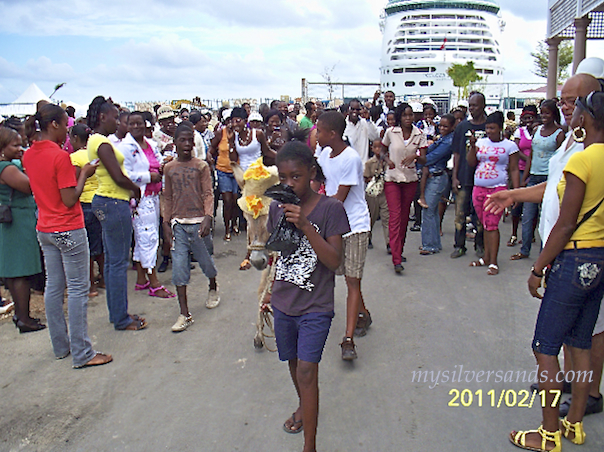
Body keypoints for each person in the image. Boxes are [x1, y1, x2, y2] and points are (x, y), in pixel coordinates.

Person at [486, 73, 604, 421]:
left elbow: (567, 220)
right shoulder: (576, 145)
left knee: (545, 347)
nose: (566, 107)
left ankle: (549, 432)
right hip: (593, 257)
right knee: (578, 341)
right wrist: (513, 194)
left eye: (572, 102)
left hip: (568, 254)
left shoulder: (584, 156)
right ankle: (574, 423)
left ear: (588, 108)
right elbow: (554, 189)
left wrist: (538, 268)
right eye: (563, 100)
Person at [263, 141, 349, 452]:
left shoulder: (331, 209)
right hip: (284, 303)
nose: (288, 184)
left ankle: (309, 444)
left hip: (316, 306)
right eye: (282, 178)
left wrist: (305, 225)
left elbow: (334, 261)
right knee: (293, 363)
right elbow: (281, 257)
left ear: (312, 172)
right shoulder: (277, 208)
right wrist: (268, 292)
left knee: (306, 369)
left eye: (295, 177)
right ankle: (304, 405)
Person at [22, 104, 113, 368]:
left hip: (45, 228)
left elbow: (45, 187)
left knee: (54, 287)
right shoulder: (60, 156)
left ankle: (61, 346)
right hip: (68, 227)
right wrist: (84, 173)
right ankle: (83, 353)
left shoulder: (30, 154)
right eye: (65, 125)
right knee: (76, 289)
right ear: (54, 125)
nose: (67, 131)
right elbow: (70, 198)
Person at [87, 96, 146, 331]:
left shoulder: (98, 141)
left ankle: (118, 314)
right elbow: (118, 176)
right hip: (114, 201)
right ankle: (122, 318)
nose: (118, 122)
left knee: (112, 263)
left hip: (108, 201)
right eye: (114, 117)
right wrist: (135, 189)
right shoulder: (101, 142)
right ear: (103, 117)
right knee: (118, 263)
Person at [317, 111, 371, 360]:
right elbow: (316, 181)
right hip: (335, 225)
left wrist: (314, 213)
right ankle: (363, 313)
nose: (316, 134)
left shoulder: (351, 159)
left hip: (355, 225)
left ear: (332, 134)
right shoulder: (324, 154)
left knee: (351, 280)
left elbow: (339, 198)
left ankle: (347, 339)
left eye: (320, 130)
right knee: (347, 277)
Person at [164, 124, 220, 332]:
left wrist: (208, 217)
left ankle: (213, 286)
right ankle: (184, 313)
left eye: (190, 140)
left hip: (198, 223)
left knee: (207, 263)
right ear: (175, 143)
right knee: (179, 269)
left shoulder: (201, 166)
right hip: (179, 224)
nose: (187, 144)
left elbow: (208, 193)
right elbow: (167, 196)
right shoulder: (169, 168)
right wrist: (166, 222)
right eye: (182, 140)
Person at [118, 111, 174, 298]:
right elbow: (123, 175)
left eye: (139, 123)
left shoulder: (149, 143)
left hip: (154, 195)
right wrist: (149, 176)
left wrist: (164, 164)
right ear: (126, 125)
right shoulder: (125, 147)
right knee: (148, 238)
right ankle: (154, 282)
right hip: (139, 198)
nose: (136, 127)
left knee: (145, 236)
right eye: (131, 124)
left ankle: (141, 279)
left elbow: (158, 161)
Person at [0, 127, 45, 333]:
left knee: (14, 271)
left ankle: (21, 315)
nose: (20, 149)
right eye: (15, 145)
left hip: (12, 220)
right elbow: (30, 187)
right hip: (17, 221)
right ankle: (24, 318)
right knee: (20, 272)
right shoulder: (7, 169)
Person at [466, 111, 520, 275]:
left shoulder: (510, 146)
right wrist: (473, 147)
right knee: (484, 224)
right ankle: (486, 257)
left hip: (497, 189)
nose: (489, 131)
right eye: (487, 128)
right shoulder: (481, 142)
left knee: (492, 225)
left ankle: (493, 262)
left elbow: (514, 169)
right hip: (479, 188)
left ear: (501, 128)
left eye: (492, 128)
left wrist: (515, 193)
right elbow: (471, 162)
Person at [511, 100, 565, 260]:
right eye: (542, 112)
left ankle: (544, 253)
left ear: (554, 114)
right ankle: (524, 250)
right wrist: (525, 178)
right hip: (534, 177)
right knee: (527, 216)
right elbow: (531, 156)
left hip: (550, 179)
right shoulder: (537, 130)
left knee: (546, 217)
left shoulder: (560, 133)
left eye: (547, 113)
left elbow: (561, 159)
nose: (544, 116)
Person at [381, 103, 428, 272]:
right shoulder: (391, 132)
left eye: (411, 115)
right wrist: (387, 161)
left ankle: (398, 251)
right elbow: (381, 150)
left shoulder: (419, 134)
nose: (408, 118)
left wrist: (414, 156)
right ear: (400, 117)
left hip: (410, 179)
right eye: (405, 115)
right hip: (392, 178)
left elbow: (424, 159)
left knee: (404, 218)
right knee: (394, 217)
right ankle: (396, 259)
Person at [451, 92, 487, 259]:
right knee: (460, 214)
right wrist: (455, 176)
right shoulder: (462, 127)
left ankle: (480, 245)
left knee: (480, 215)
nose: (472, 109)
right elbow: (457, 153)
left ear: (483, 106)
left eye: (475, 105)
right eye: (470, 105)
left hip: (483, 179)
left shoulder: (489, 126)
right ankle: (459, 246)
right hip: (464, 177)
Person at [69, 124, 104, 297]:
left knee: (88, 248)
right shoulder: (96, 155)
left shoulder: (74, 158)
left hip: (84, 205)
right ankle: (104, 279)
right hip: (100, 201)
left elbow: (73, 182)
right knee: (102, 245)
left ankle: (91, 286)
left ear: (76, 138)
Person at [417, 114, 455, 255]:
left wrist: (417, 158)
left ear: (452, 127)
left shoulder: (448, 142)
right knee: (431, 212)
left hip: (436, 177)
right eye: (441, 126)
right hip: (434, 176)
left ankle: (429, 245)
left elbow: (430, 157)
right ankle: (433, 243)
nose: (442, 128)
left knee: (428, 211)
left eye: (446, 126)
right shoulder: (443, 139)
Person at [507, 107, 537, 247]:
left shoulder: (538, 131)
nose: (528, 121)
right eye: (526, 118)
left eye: (531, 118)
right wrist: (528, 160)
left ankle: (529, 235)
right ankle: (514, 233)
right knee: (517, 200)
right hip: (520, 168)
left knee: (532, 203)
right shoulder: (519, 131)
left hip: (535, 170)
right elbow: (516, 149)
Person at [209, 109, 238, 241]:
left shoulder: (240, 134)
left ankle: (234, 223)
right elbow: (211, 148)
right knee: (227, 200)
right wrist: (210, 159)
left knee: (236, 200)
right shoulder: (221, 133)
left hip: (237, 170)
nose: (230, 123)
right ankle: (227, 228)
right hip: (223, 170)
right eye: (228, 121)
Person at [364, 140, 389, 252]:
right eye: (376, 147)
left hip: (385, 192)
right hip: (373, 194)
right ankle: (368, 237)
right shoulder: (370, 163)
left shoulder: (388, 162)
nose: (378, 150)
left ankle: (389, 243)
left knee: (386, 218)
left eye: (380, 147)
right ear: (372, 148)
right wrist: (375, 179)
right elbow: (366, 177)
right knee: (371, 217)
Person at [343, 99, 380, 163]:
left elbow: (374, 137)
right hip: (349, 164)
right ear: (348, 110)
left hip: (364, 164)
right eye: (352, 109)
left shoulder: (365, 123)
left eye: (357, 110)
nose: (355, 111)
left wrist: (368, 120)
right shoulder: (343, 125)